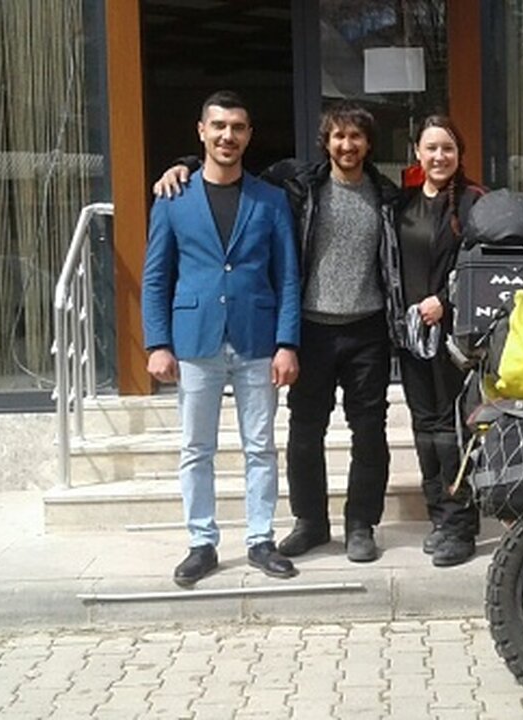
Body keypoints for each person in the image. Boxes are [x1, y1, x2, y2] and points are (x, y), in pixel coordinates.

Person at [153, 102, 404, 563]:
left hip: (367, 328)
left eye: (356, 137)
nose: (347, 145)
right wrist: (183, 164)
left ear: (369, 144)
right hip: (311, 327)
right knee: (304, 431)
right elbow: (225, 166)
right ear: (326, 142)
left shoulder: (388, 195)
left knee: (369, 432)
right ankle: (310, 523)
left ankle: (360, 525)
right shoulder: (297, 185)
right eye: (338, 136)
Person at [142, 90, 302, 586]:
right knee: (196, 448)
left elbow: (288, 276)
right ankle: (201, 543)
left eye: (237, 127)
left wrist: (287, 342)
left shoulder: (270, 200)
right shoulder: (173, 199)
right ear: (202, 131)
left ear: (249, 135)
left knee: (261, 447)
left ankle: (260, 539)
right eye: (219, 126)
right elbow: (156, 277)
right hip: (196, 340)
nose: (227, 136)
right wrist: (157, 343)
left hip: (257, 339)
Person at [394, 115, 485, 567]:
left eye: (447, 148)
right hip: (413, 338)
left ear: (458, 153)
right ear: (417, 153)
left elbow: (485, 267)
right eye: (430, 148)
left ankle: (461, 524)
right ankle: (440, 518)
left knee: (453, 430)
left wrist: (445, 302)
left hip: (456, 340)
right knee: (424, 428)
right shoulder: (403, 204)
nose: (439, 156)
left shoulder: (474, 204)